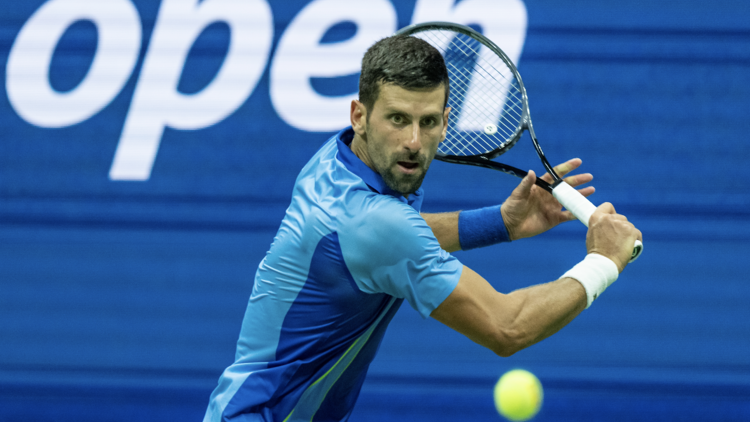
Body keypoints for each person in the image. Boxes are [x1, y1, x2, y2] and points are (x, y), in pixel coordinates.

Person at [203, 35, 641, 422]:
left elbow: (384, 244)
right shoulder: (378, 224)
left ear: (446, 122)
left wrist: (499, 223)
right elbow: (508, 328)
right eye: (397, 119)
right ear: (359, 115)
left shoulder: (337, 165)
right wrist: (604, 260)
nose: (414, 141)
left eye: (428, 121)